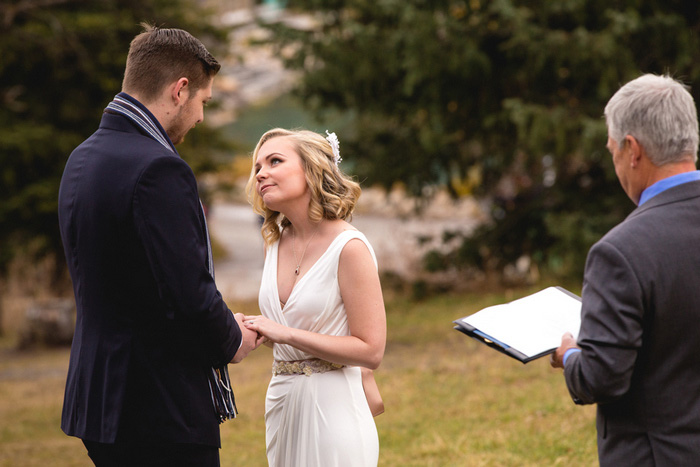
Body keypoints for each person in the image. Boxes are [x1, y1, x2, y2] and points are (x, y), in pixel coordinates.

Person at [57, 24, 262, 466]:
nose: (202, 117)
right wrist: (233, 338)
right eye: (203, 103)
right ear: (179, 90)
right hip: (158, 408)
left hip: (100, 399)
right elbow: (187, 292)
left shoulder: (84, 157)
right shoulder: (159, 169)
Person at [550, 74, 700, 465]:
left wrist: (569, 355)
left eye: (613, 150)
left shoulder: (621, 252)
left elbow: (601, 377)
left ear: (632, 150)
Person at [243, 128, 387, 466]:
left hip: (334, 410)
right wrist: (253, 329)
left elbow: (371, 349)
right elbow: (284, 328)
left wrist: (286, 334)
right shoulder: (274, 244)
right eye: (257, 166)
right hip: (281, 404)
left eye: (274, 161)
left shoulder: (349, 248)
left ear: (311, 169)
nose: (261, 172)